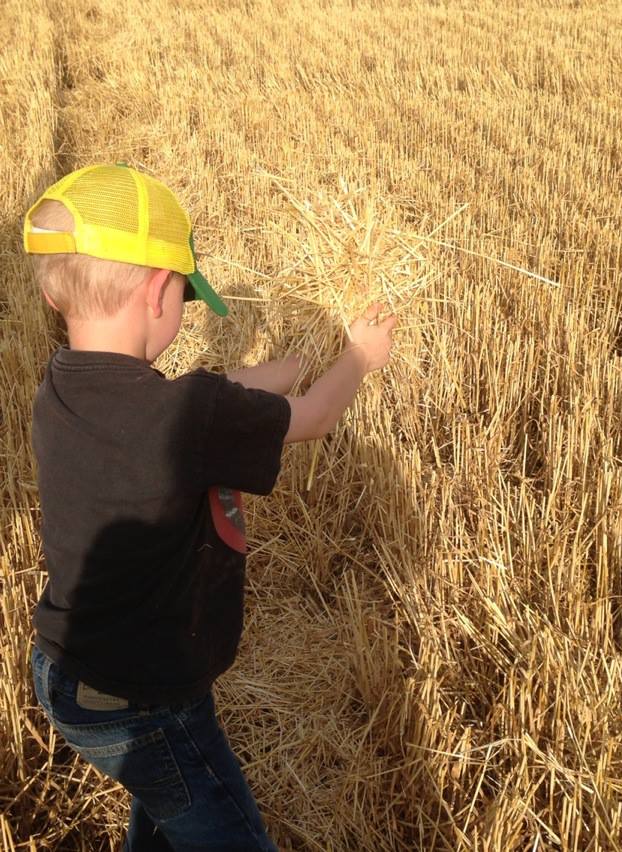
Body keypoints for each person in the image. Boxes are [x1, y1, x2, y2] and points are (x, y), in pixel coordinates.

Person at [24, 163, 397, 851]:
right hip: (144, 700)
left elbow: (204, 396)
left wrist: (292, 362)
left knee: (167, 805)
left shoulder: (63, 389)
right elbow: (312, 417)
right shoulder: (185, 416)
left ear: (55, 295)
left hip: (71, 673)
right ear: (160, 292)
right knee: (229, 836)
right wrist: (355, 357)